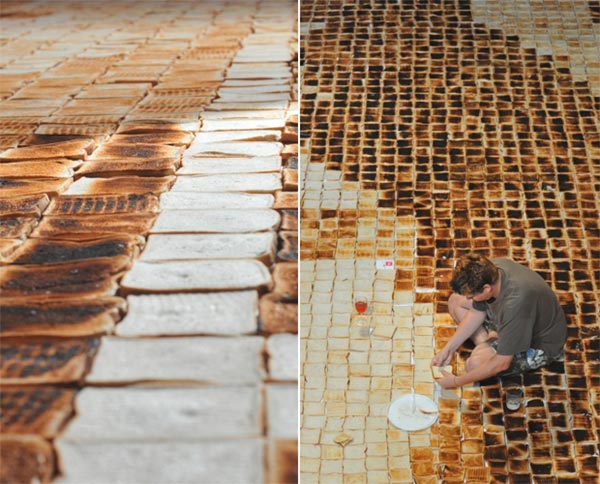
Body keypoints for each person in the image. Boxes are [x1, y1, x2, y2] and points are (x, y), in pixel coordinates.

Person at [432, 253, 567, 388]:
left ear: (486, 289)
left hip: (539, 342)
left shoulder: (515, 303)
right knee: (455, 301)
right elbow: (476, 311)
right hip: (509, 320)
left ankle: (490, 347)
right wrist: (448, 349)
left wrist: (456, 381)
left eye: (472, 296)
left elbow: (503, 363)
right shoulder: (488, 269)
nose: (469, 299)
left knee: (474, 365)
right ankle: (489, 343)